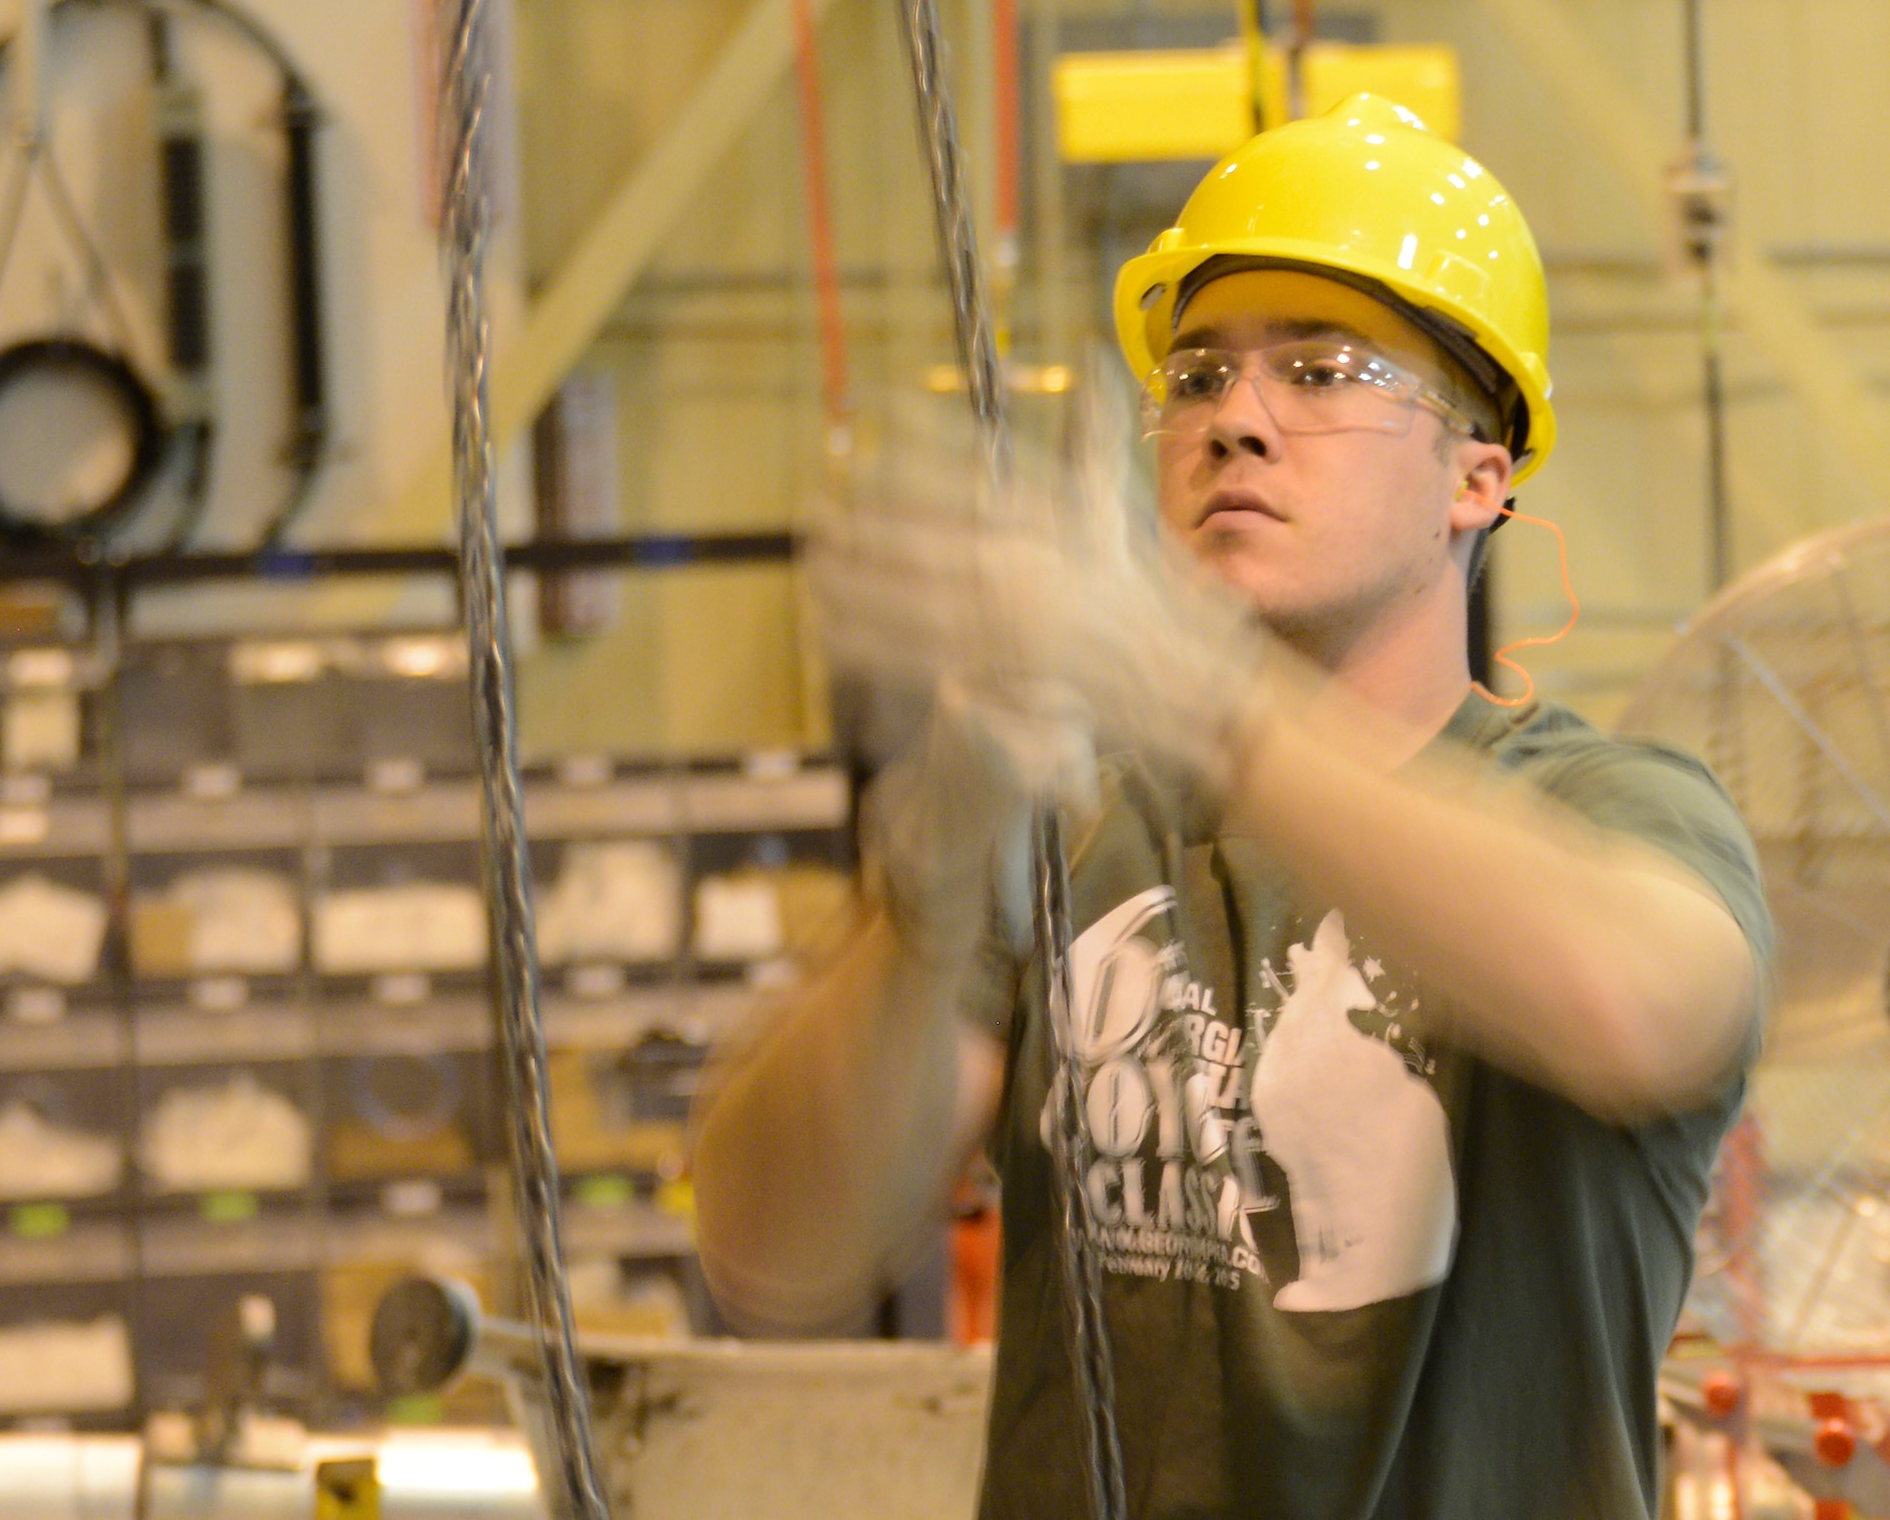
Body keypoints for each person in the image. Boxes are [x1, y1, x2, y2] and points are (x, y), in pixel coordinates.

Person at [691, 93, 1769, 1519]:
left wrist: (1191, 688)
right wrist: (938, 861)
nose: (1235, 423)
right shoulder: (1080, 832)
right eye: (1195, 379)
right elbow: (773, 1242)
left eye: (1320, 372)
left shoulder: (1605, 812)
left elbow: (1640, 1005)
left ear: (1476, 477)